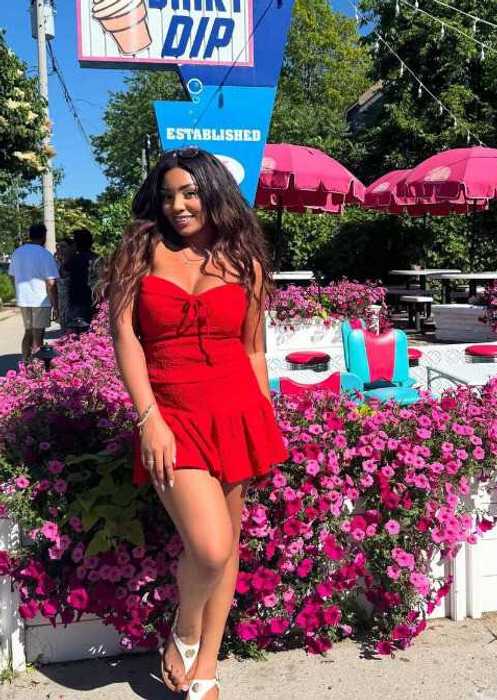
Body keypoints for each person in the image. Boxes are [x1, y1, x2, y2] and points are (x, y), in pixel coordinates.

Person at [101, 147, 289, 700]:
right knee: (207, 547)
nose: (178, 205)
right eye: (167, 195)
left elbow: (253, 350)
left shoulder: (245, 263)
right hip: (172, 414)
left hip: (237, 411)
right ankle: (184, 627)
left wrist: (264, 418)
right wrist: (149, 420)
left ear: (212, 192)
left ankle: (205, 667)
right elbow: (125, 339)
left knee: (228, 545)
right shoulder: (141, 253)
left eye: (188, 192)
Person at [9, 223, 60, 364]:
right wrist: (56, 305)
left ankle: (25, 361)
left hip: (24, 300)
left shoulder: (17, 252)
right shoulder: (45, 255)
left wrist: (18, 291)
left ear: (30, 235)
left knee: (28, 332)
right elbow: (51, 283)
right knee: (39, 335)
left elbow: (12, 276)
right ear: (44, 236)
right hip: (40, 301)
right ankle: (38, 367)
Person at [63, 228, 100, 327]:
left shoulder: (73, 260)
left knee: (75, 334)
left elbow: (62, 273)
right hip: (94, 301)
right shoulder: (97, 258)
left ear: (76, 244)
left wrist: (68, 254)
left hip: (75, 301)